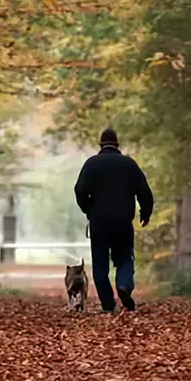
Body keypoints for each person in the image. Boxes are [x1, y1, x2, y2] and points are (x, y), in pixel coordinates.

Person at [73, 127, 154, 313]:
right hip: (123, 221)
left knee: (100, 264)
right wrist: (145, 213)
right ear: (117, 145)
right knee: (124, 258)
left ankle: (109, 304)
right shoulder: (129, 165)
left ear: (101, 145)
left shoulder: (92, 164)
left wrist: (88, 209)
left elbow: (79, 190)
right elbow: (144, 191)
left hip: (99, 222)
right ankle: (124, 286)